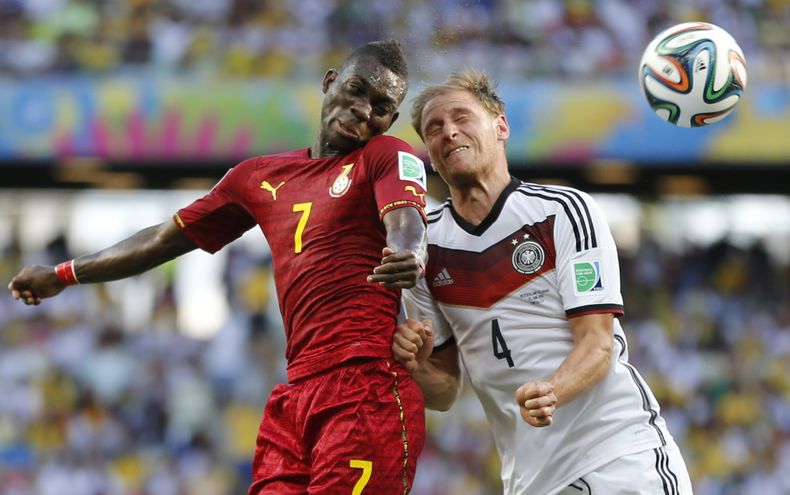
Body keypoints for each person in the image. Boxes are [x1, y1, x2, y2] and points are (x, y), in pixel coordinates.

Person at [9, 40, 429, 495]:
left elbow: (407, 221)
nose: (364, 110)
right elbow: (161, 240)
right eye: (356, 90)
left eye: (381, 107)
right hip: (296, 396)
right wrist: (63, 274)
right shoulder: (257, 176)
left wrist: (409, 252)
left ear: (391, 120)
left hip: (365, 385)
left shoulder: (385, 155)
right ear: (330, 81)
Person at [391, 69, 694, 494]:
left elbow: (598, 344)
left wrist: (553, 389)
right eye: (434, 128)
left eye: (461, 117)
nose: (449, 132)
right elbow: (443, 391)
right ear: (429, 153)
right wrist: (413, 363)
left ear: (501, 126)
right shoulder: (423, 246)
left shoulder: (563, 211)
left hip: (619, 457)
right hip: (531, 480)